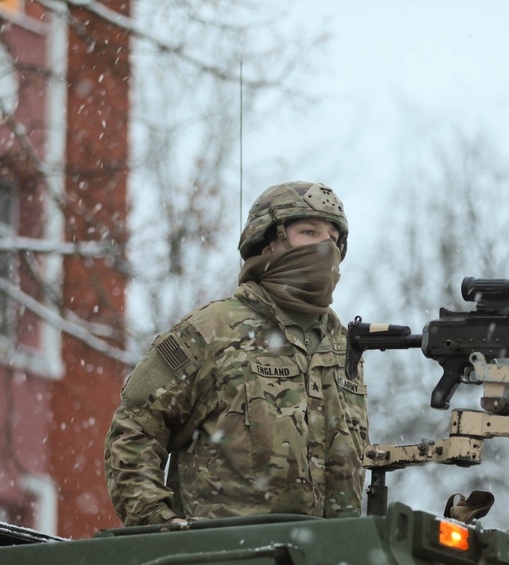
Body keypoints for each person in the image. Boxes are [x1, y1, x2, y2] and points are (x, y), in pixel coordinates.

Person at [104, 181, 369, 526]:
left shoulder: (345, 349)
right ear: (269, 242)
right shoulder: (210, 331)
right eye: (309, 231)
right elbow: (134, 430)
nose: (326, 247)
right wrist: (158, 528)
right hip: (227, 564)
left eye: (334, 239)